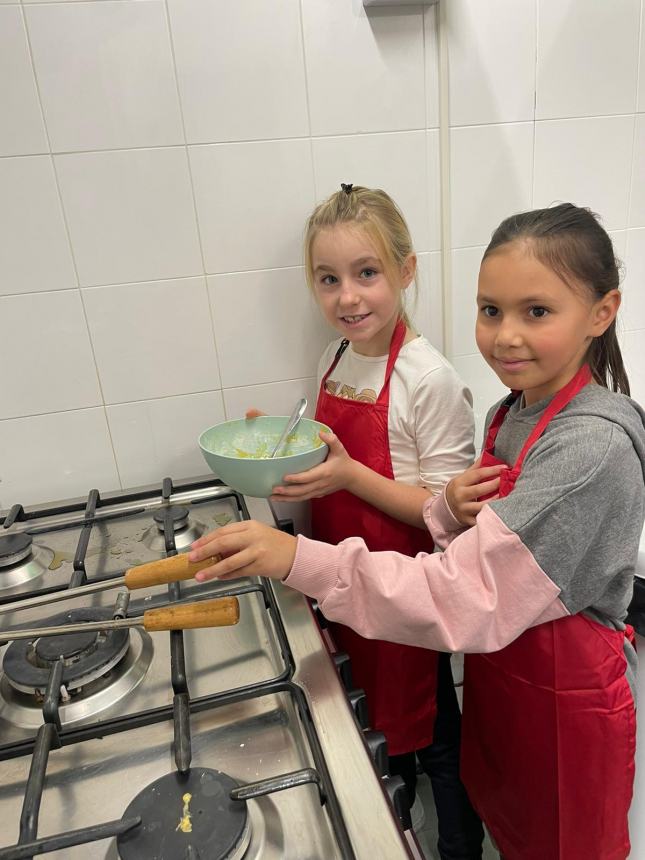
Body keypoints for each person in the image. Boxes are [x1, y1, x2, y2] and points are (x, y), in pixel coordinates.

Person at [190, 202, 645, 859]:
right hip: (506, 676)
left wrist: (296, 558)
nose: (505, 336)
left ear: (600, 313)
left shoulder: (588, 449)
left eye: (536, 312)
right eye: (490, 310)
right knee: (509, 824)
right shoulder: (511, 411)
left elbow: (465, 596)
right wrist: (445, 512)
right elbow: (487, 549)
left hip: (563, 701)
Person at [249, 183, 484, 858]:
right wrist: (283, 447)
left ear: (405, 272)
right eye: (328, 279)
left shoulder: (426, 377)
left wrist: (350, 475)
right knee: (371, 725)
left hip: (408, 589)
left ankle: (459, 848)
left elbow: (449, 516)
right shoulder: (333, 357)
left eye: (366, 274)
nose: (347, 298)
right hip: (346, 580)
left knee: (434, 733)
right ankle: (396, 830)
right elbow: (335, 454)